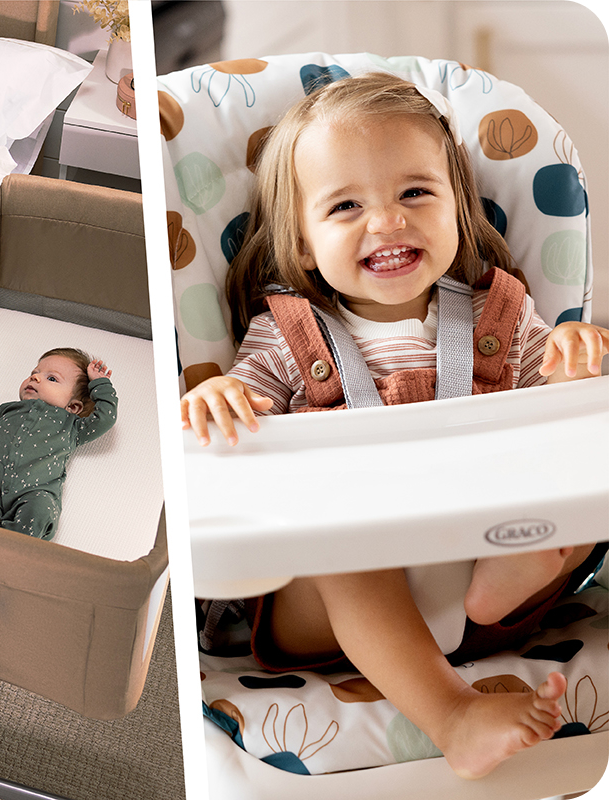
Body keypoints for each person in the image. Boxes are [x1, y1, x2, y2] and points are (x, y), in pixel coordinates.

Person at [178, 73, 609, 779]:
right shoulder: (287, 337)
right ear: (306, 244)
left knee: (582, 491)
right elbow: (239, 415)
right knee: (339, 544)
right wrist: (219, 395)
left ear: (459, 212)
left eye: (414, 193)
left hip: (482, 560)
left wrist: (571, 371)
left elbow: (558, 432)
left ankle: (502, 584)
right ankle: (452, 713)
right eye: (346, 205)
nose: (387, 221)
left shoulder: (505, 315)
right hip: (335, 602)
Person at [0, 348, 116, 540]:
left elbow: (105, 418)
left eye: (52, 379)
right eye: (34, 374)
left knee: (38, 512)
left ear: (73, 407)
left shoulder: (71, 425)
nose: (35, 378)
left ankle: (15, 557)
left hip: (34, 492)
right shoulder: (7, 410)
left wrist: (100, 384)